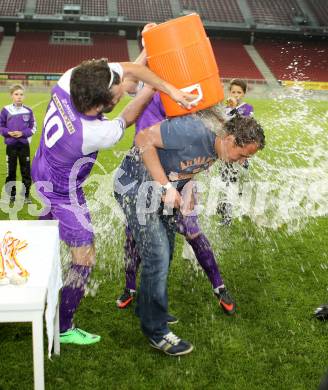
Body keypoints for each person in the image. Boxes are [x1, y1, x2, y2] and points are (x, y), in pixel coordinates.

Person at [31, 57, 196, 346]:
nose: (124, 89)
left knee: (42, 244)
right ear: (99, 106)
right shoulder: (94, 132)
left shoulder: (71, 77)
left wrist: (146, 54)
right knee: (85, 256)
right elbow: (129, 115)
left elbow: (129, 69)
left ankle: (33, 291)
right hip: (62, 193)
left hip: (41, 169)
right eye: (118, 93)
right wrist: (156, 90)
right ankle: (64, 327)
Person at [114, 100, 265, 356]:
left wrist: (185, 187)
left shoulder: (220, 147)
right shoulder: (193, 131)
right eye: (242, 155)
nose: (241, 162)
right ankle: (156, 331)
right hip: (134, 186)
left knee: (167, 250)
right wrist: (166, 187)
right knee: (158, 253)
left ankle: (146, 306)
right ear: (229, 139)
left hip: (162, 189)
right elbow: (142, 140)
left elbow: (186, 161)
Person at [116, 93, 236, 317]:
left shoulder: (219, 136)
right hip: (148, 180)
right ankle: (130, 287)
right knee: (134, 233)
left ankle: (219, 287)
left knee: (193, 233)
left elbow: (192, 158)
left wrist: (189, 185)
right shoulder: (159, 103)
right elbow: (144, 144)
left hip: (178, 186)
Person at [218, 79, 254, 225]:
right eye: (233, 92)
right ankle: (226, 212)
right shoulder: (225, 108)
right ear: (229, 92)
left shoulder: (247, 108)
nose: (236, 95)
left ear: (244, 94)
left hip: (240, 153)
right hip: (226, 152)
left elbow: (246, 127)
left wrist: (244, 155)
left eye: (239, 92)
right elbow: (223, 126)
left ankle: (231, 213)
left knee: (234, 183)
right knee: (225, 182)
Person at [0, 84, 36, 203]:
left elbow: (33, 127)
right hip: (11, 145)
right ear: (11, 95)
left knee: (25, 171)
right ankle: (11, 195)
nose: (19, 97)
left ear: (23, 96)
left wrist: (22, 133)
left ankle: (25, 196)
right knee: (11, 171)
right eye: (16, 94)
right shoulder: (5, 110)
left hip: (24, 145)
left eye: (21, 94)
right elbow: (1, 126)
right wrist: (9, 133)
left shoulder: (28, 111)